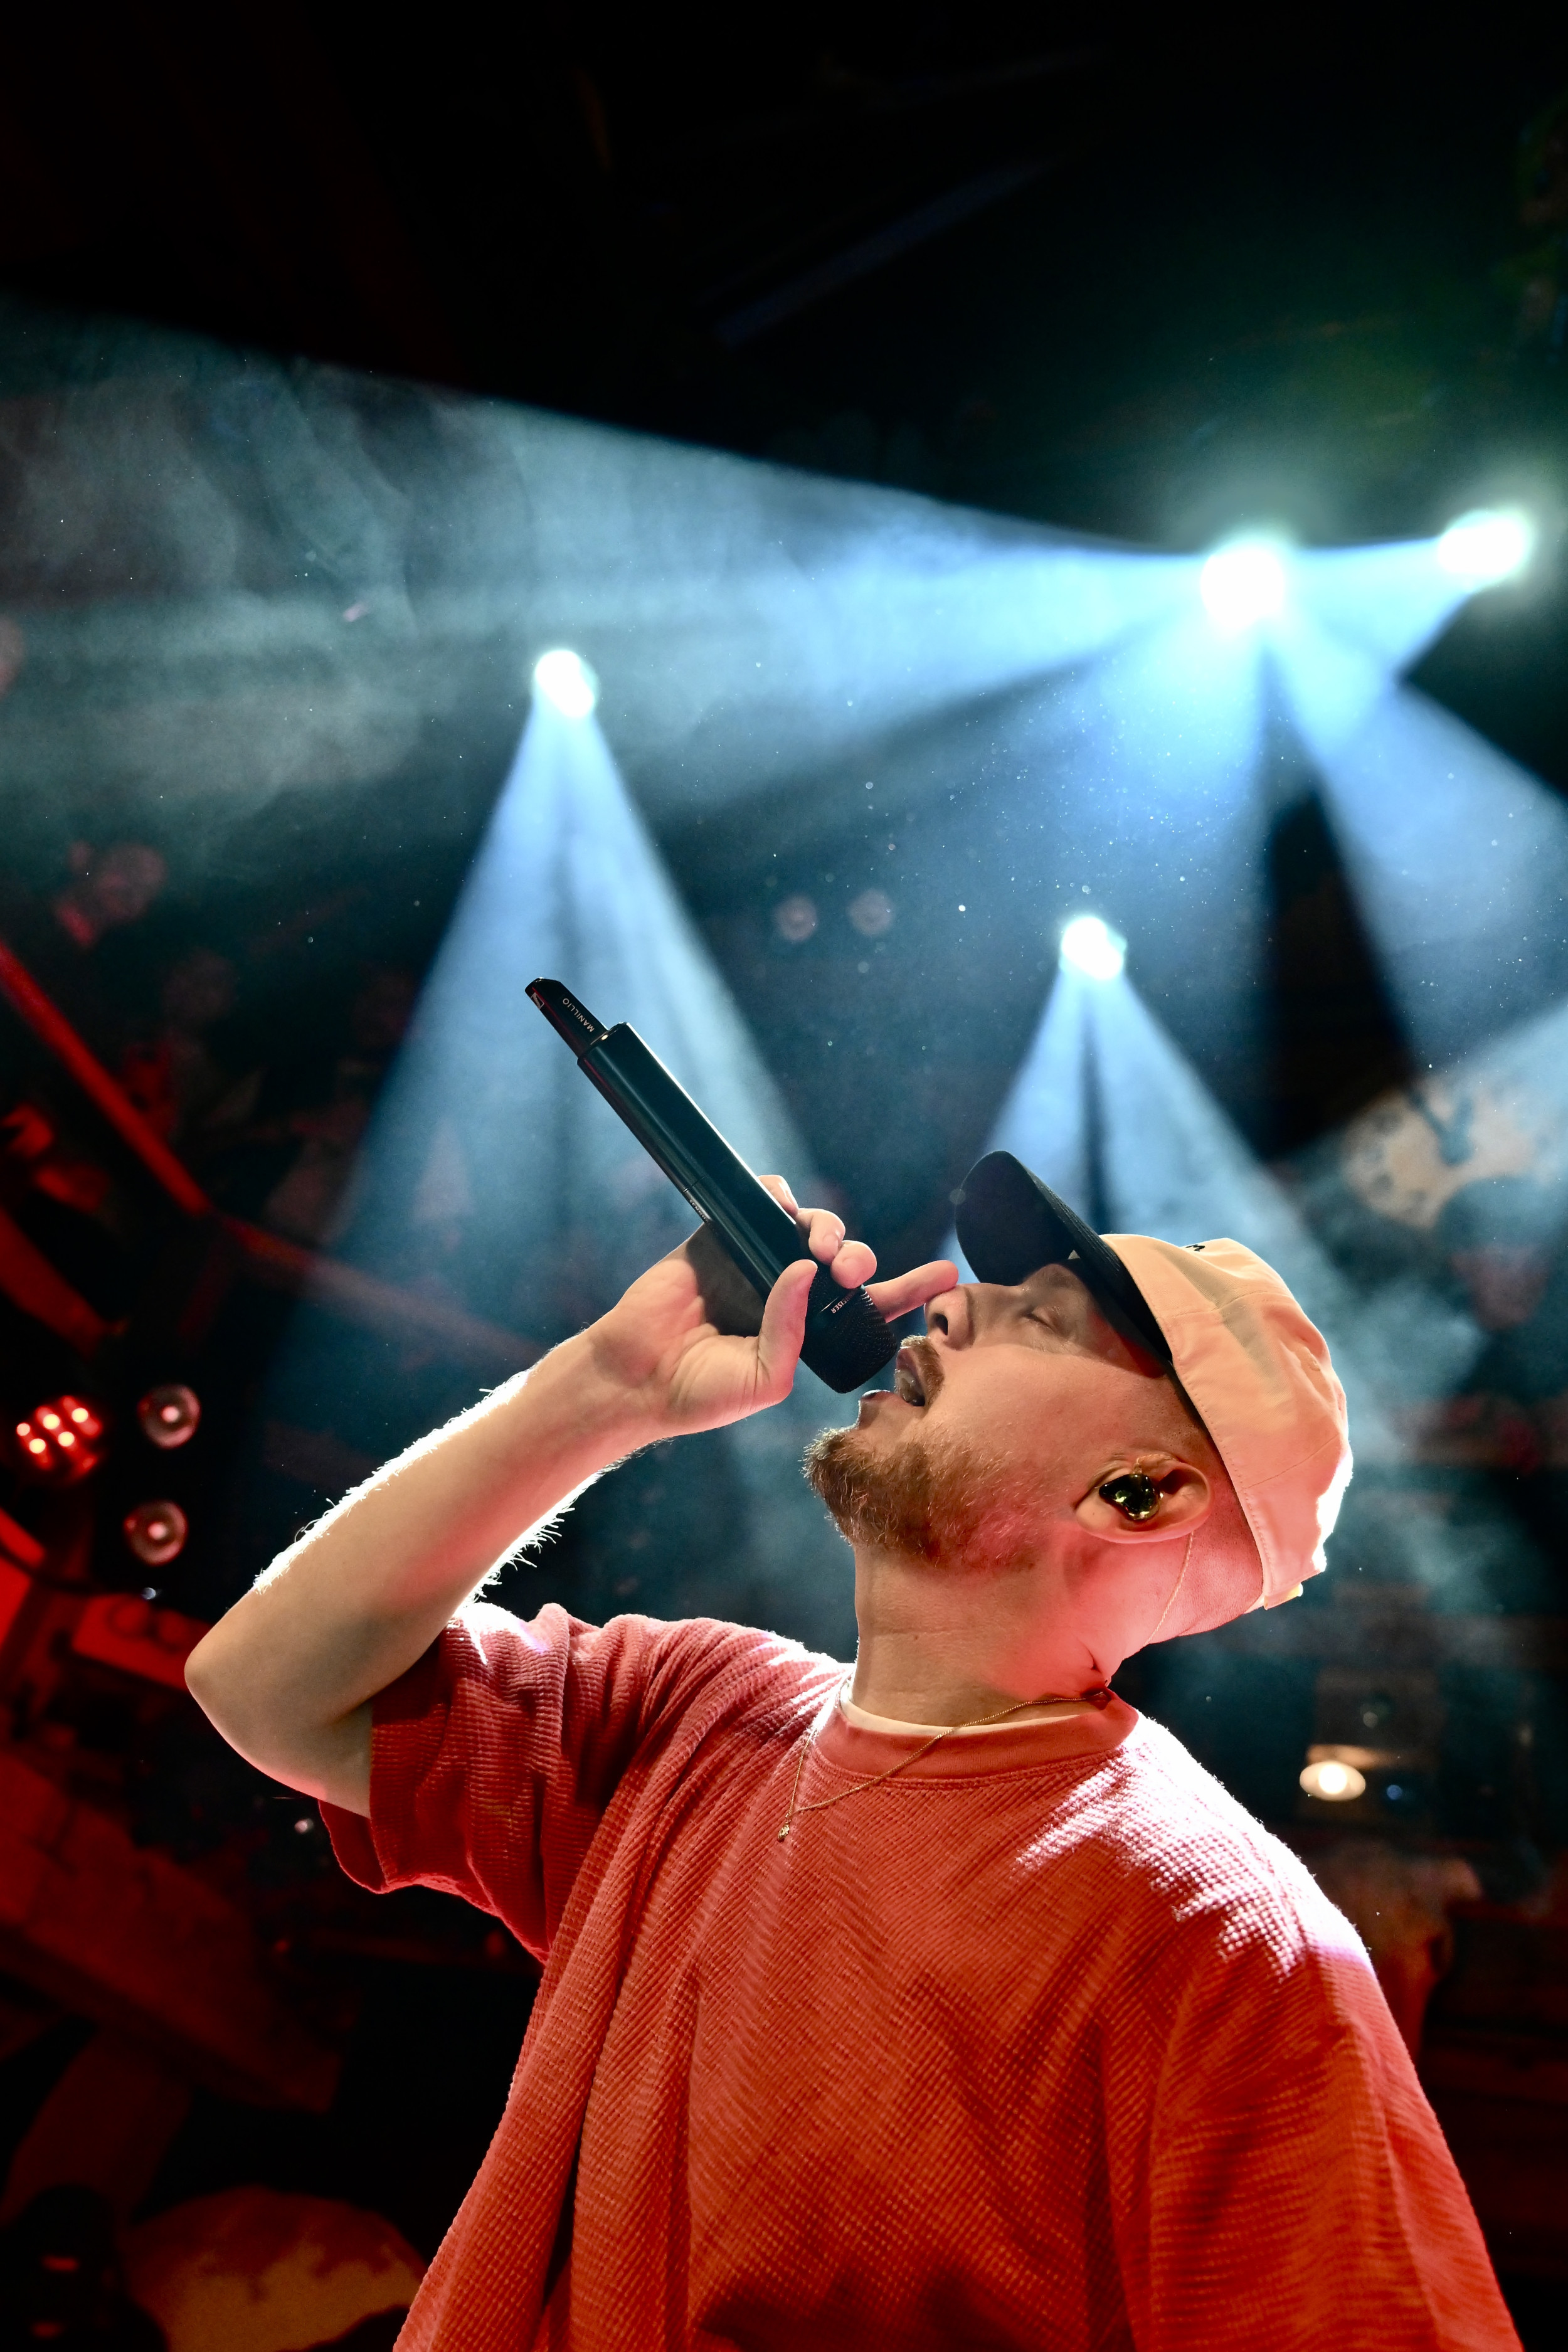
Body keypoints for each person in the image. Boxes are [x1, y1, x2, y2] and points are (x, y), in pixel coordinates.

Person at [186, 1150, 1520, 2351]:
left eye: (1038, 1320)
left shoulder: (1221, 1941)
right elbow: (266, 1690)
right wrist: (600, 1391)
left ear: (1143, 1494)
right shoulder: (700, 1708)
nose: (951, 1304)